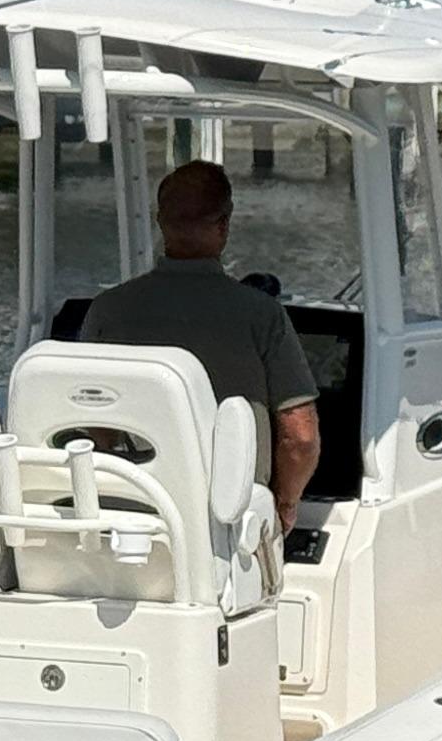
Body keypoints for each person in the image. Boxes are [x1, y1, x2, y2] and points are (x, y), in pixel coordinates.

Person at [77, 160, 322, 529]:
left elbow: (95, 419)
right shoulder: (262, 314)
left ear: (160, 222)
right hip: (230, 518)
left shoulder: (106, 310)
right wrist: (284, 506)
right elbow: (300, 437)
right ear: (223, 226)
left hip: (135, 515)